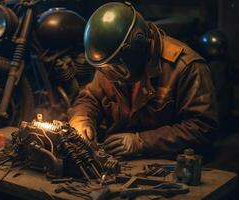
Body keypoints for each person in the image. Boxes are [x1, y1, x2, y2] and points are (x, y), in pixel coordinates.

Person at [69, 2, 218, 159]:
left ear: (137, 49)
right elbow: (91, 98)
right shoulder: (112, 63)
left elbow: (202, 128)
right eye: (105, 69)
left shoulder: (185, 67)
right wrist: (82, 119)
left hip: (169, 164)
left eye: (117, 68)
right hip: (116, 160)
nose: (111, 75)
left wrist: (141, 142)